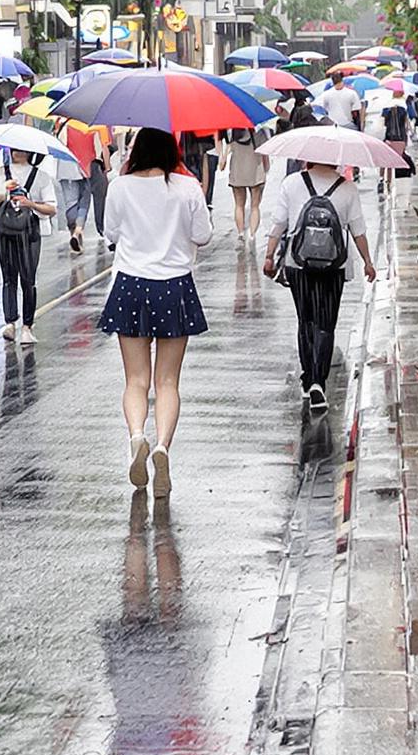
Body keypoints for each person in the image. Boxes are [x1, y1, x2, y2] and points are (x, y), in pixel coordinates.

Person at [99, 127, 212, 497]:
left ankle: (136, 437)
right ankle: (162, 445)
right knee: (167, 382)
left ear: (138, 151)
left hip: (131, 284)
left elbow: (109, 233)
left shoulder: (120, 186)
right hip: (174, 286)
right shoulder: (187, 187)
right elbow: (203, 235)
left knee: (135, 381)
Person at [262, 159, 377, 411]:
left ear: (307, 158)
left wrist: (270, 256)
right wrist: (368, 262)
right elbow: (358, 230)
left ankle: (307, 377)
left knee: (305, 320)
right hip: (334, 265)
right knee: (326, 323)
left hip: (298, 262)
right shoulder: (347, 188)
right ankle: (318, 382)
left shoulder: (292, 183)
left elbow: (279, 223)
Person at [0, 156, 59, 343]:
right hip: (4, 230)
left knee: (28, 279)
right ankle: (10, 322)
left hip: (29, 231)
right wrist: (3, 193)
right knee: (8, 277)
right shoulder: (1, 173)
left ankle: (27, 326)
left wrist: (30, 203)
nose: (17, 152)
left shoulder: (41, 176)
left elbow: (52, 208)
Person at [222, 120, 269, 236]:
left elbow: (227, 149)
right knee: (255, 206)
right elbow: (265, 152)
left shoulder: (231, 131)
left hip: (237, 169)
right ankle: (252, 234)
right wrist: (266, 168)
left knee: (239, 205)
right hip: (255, 169)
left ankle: (241, 233)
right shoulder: (259, 130)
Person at [60, 123, 100, 253]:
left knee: (70, 202)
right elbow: (97, 151)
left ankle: (74, 233)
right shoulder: (92, 128)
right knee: (84, 201)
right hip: (86, 168)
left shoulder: (65, 126)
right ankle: (78, 230)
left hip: (67, 170)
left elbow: (59, 146)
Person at [377, 91, 413, 199]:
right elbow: (406, 126)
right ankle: (389, 183)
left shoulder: (386, 109)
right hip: (400, 139)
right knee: (393, 162)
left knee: (385, 161)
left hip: (388, 138)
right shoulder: (403, 109)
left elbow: (381, 125)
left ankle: (381, 179)